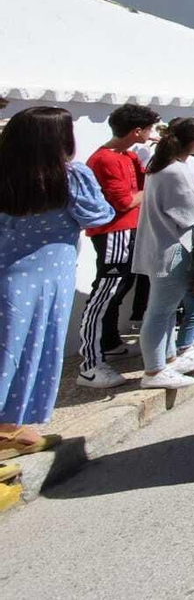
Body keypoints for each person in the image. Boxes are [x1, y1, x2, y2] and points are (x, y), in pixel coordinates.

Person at [0, 107, 115, 459]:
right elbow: (99, 215)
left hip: (8, 270)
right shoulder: (70, 176)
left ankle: (9, 429)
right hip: (48, 277)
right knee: (33, 347)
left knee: (8, 350)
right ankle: (9, 427)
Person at [77, 102, 161, 389]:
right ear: (137, 131)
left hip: (129, 230)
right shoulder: (106, 159)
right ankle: (89, 364)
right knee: (106, 293)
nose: (151, 134)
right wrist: (150, 189)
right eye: (148, 129)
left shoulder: (126, 156)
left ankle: (110, 342)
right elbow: (125, 201)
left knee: (120, 289)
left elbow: (145, 179)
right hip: (115, 232)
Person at [131, 118, 194, 388]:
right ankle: (154, 370)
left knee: (166, 311)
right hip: (171, 249)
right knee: (160, 311)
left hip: (161, 246)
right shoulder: (175, 172)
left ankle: (166, 360)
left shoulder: (161, 166)